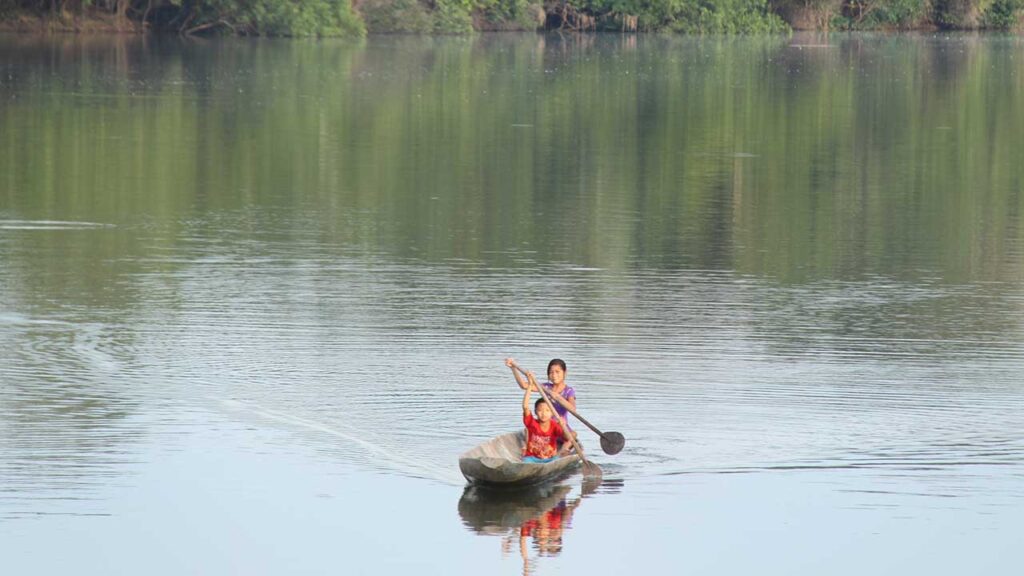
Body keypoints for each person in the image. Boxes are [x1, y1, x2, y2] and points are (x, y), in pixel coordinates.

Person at [505, 358, 577, 430]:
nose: (554, 375)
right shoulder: (546, 387)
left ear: (565, 373)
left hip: (561, 427)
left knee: (572, 435)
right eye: (551, 372)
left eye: (557, 372)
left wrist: (558, 397)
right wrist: (513, 368)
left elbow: (573, 409)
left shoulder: (569, 391)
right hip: (545, 426)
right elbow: (524, 385)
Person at [520, 371, 571, 463]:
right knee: (526, 462)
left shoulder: (554, 425)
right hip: (532, 458)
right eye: (540, 410)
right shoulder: (532, 423)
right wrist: (530, 386)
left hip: (550, 458)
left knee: (557, 460)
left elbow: (567, 438)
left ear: (552, 413)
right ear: (535, 412)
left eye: (547, 410)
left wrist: (563, 426)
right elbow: (525, 406)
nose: (543, 414)